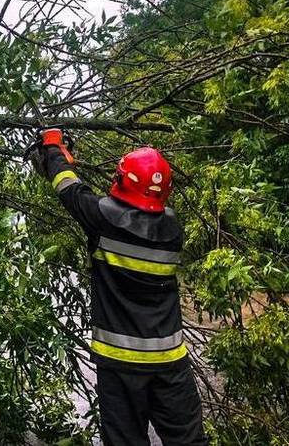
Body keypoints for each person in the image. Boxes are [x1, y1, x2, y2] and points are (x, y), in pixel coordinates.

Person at [30, 128, 207, 446]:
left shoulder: (102, 220)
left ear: (122, 180)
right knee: (189, 441)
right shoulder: (172, 231)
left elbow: (69, 188)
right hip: (170, 361)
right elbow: (113, 206)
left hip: (121, 363)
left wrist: (55, 149)